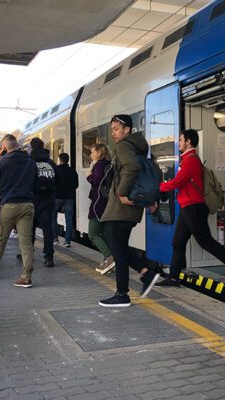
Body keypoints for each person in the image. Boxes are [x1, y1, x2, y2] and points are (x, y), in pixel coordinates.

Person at [157, 129, 225, 288]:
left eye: (181, 139)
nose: (179, 142)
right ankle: (174, 277)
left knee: (205, 241)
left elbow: (178, 182)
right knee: (178, 242)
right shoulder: (187, 159)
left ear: (189, 142)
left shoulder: (191, 160)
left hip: (194, 208)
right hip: (187, 207)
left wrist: (160, 186)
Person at [99, 114, 160, 308]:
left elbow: (132, 168)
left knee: (116, 247)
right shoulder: (138, 147)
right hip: (129, 209)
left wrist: (122, 193)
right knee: (120, 246)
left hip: (121, 207)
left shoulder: (124, 146)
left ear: (127, 130)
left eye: (116, 129)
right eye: (112, 130)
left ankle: (122, 294)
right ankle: (145, 272)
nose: (114, 133)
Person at [0, 134, 38, 288]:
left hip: (9, 205)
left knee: (0, 240)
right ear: (17, 145)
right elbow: (35, 182)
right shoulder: (31, 162)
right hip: (28, 205)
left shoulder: (3, 161)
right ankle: (26, 277)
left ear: (4, 147)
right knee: (25, 242)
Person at [86, 143, 115, 274]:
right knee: (106, 234)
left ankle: (109, 257)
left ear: (98, 152)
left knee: (93, 233)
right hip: (108, 203)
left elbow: (96, 180)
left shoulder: (99, 165)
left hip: (98, 204)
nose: (91, 155)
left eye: (92, 152)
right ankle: (109, 263)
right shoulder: (109, 164)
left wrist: (88, 175)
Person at [30, 137, 58, 267]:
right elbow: (58, 180)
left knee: (30, 228)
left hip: (32, 199)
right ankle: (49, 257)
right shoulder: (51, 162)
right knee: (48, 229)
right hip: (48, 200)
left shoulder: (29, 162)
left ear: (32, 147)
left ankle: (28, 254)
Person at [53, 152, 79, 247]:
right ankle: (67, 241)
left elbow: (53, 183)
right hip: (69, 198)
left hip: (57, 197)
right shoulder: (73, 171)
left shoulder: (55, 170)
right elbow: (76, 185)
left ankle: (55, 239)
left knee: (53, 217)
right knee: (69, 219)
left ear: (60, 160)